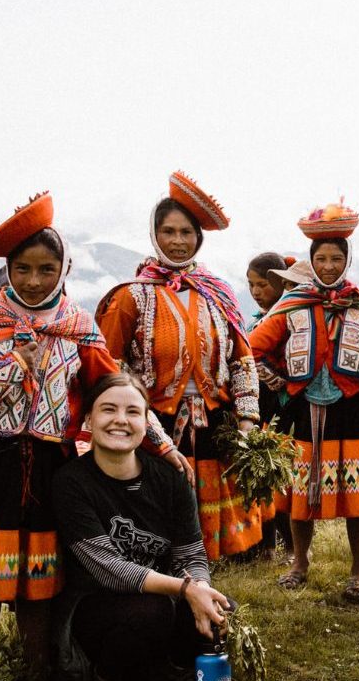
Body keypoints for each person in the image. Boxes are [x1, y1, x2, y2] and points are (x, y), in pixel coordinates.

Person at [0, 191, 186, 681]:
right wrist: (15, 369)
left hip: (44, 471)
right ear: (7, 270)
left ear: (63, 269)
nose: (36, 280)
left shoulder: (76, 324)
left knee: (36, 587)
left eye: (47, 269)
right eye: (24, 269)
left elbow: (111, 386)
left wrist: (161, 444)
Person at [53, 373, 236, 681]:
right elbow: (110, 569)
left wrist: (199, 587)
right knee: (150, 611)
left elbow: (191, 552)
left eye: (133, 412)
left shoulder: (168, 480)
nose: (120, 420)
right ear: (88, 419)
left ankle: (166, 671)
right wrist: (185, 590)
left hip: (162, 597)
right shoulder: (71, 483)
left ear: (145, 423)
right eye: (108, 410)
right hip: (96, 609)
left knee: (220, 607)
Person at [247, 200, 359, 602]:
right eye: (320, 258)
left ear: (347, 260)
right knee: (299, 493)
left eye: (336, 258)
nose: (328, 265)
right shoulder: (293, 304)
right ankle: (299, 562)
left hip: (353, 411)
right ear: (311, 260)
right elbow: (252, 348)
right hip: (303, 407)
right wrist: (280, 384)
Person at [97, 172, 264, 561]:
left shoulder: (217, 293)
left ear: (198, 237)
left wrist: (246, 420)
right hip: (153, 418)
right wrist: (143, 426)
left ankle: (200, 580)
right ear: (155, 236)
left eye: (186, 232)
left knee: (205, 526)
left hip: (213, 420)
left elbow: (242, 357)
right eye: (168, 231)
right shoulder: (130, 298)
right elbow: (110, 367)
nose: (177, 241)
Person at [245, 250, 299, 555]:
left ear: (280, 283)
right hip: (261, 405)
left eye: (262, 285)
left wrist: (275, 381)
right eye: (251, 285)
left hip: (284, 406)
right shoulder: (257, 320)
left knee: (280, 475)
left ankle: (290, 545)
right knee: (261, 472)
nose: (255, 291)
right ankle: (266, 544)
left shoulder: (289, 316)